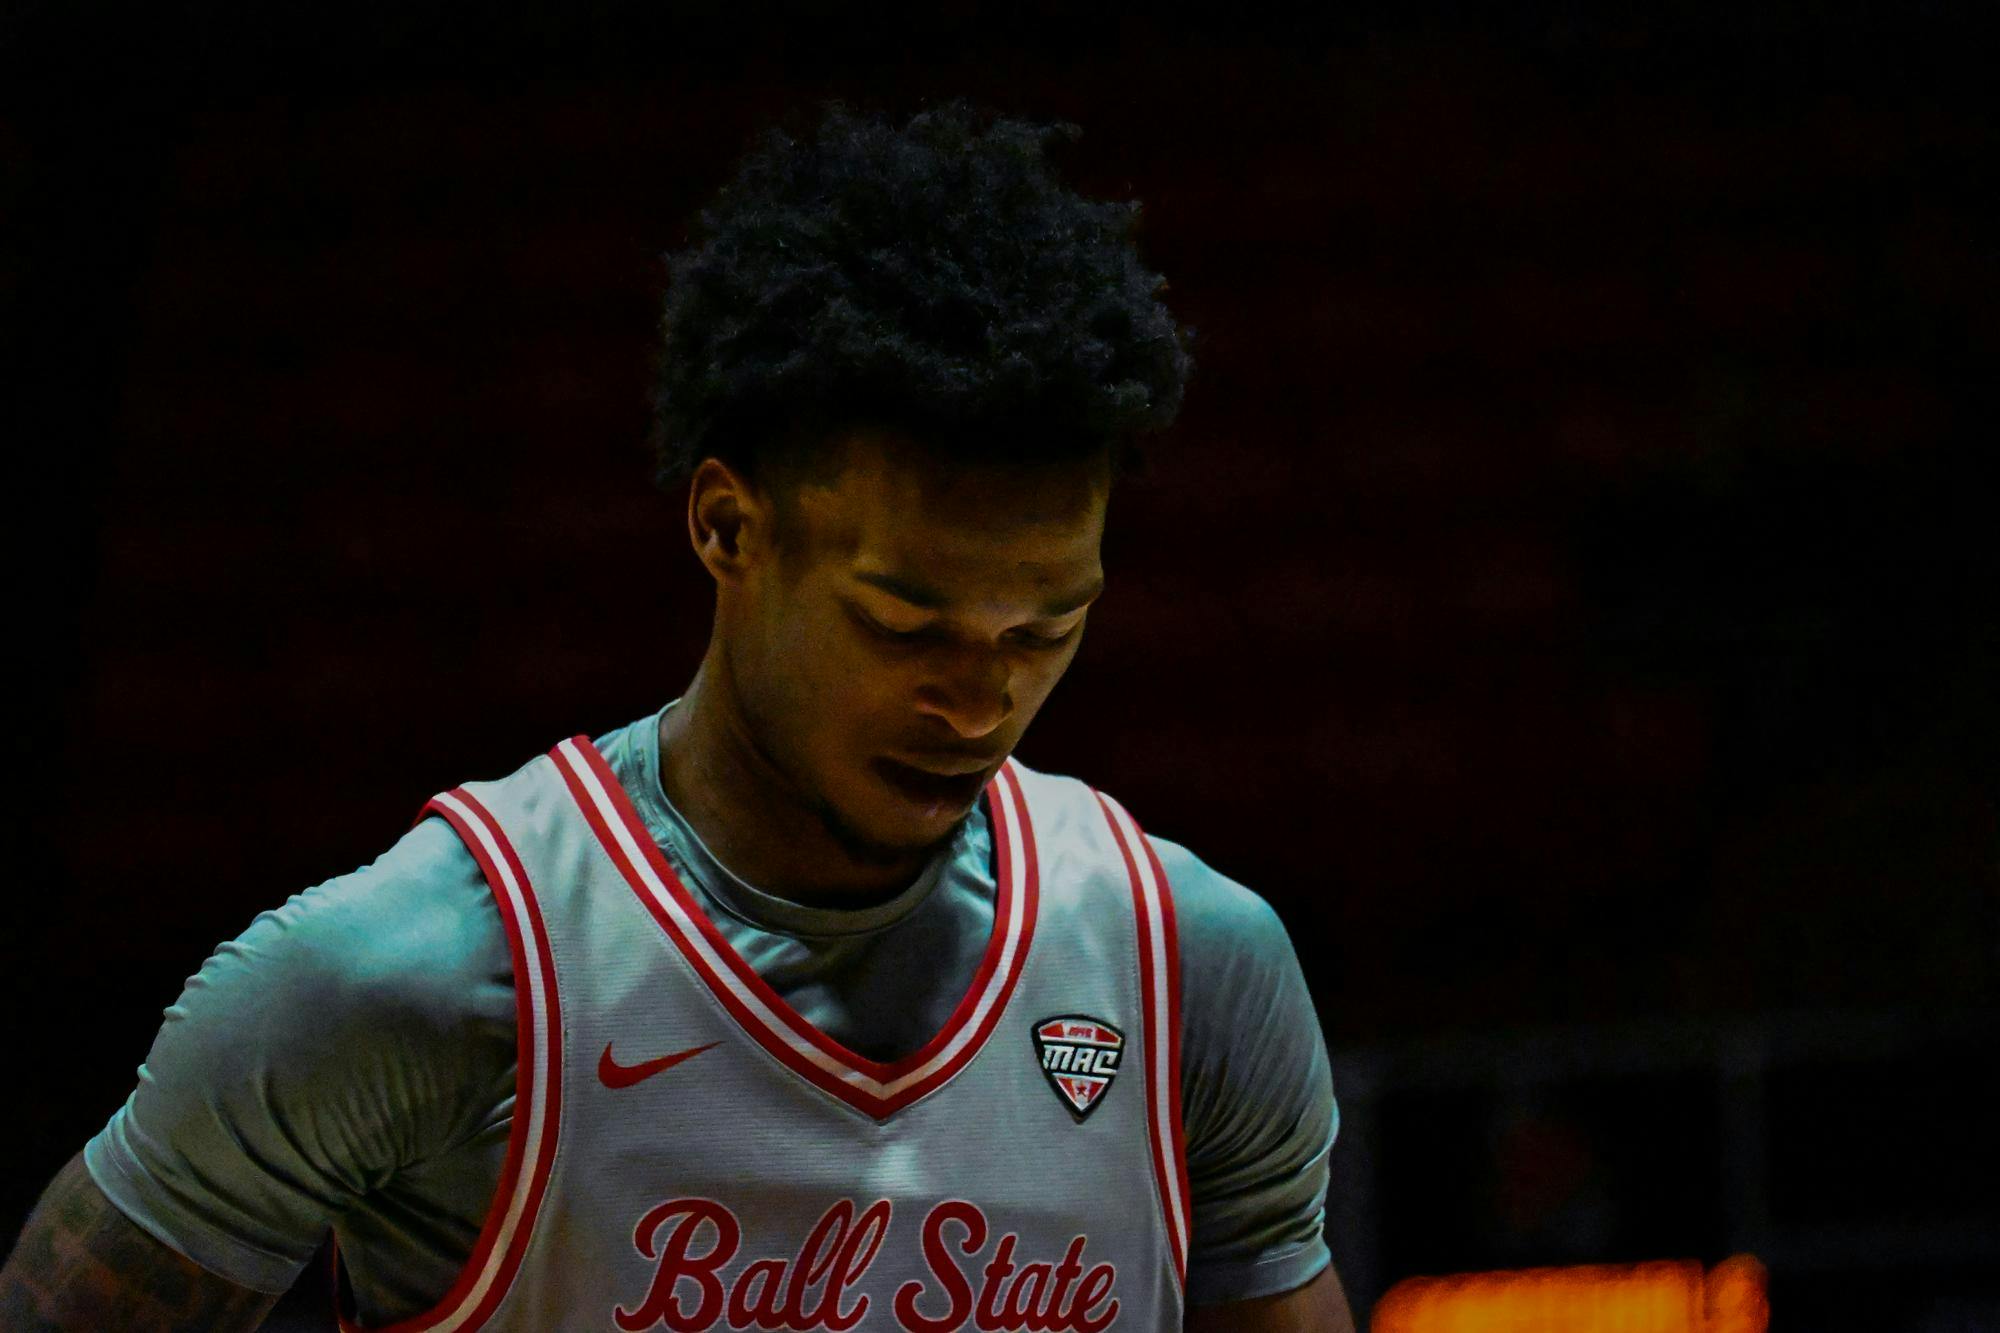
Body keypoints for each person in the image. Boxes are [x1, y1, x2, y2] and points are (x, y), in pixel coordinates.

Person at [0, 100, 1352, 1332]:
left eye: (1043, 629)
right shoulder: (409, 978)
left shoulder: (1196, 969)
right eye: (903, 623)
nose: (980, 693)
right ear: (726, 527)